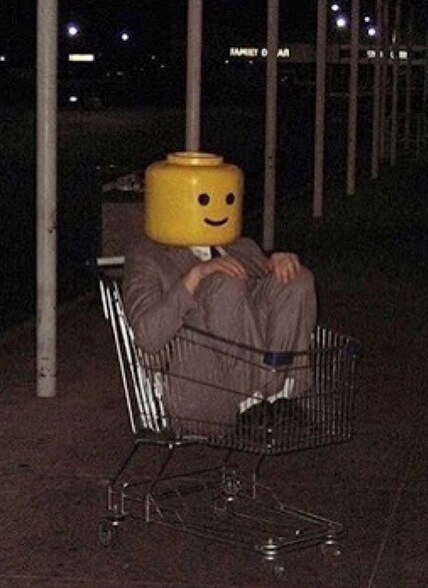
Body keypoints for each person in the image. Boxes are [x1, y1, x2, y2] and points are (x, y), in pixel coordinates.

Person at [123, 152, 317, 427]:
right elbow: (147, 338)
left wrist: (278, 262)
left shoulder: (239, 246)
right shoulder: (148, 257)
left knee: (296, 278)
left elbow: (265, 300)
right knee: (224, 281)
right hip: (202, 380)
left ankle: (280, 395)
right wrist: (194, 277)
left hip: (262, 370)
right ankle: (255, 401)